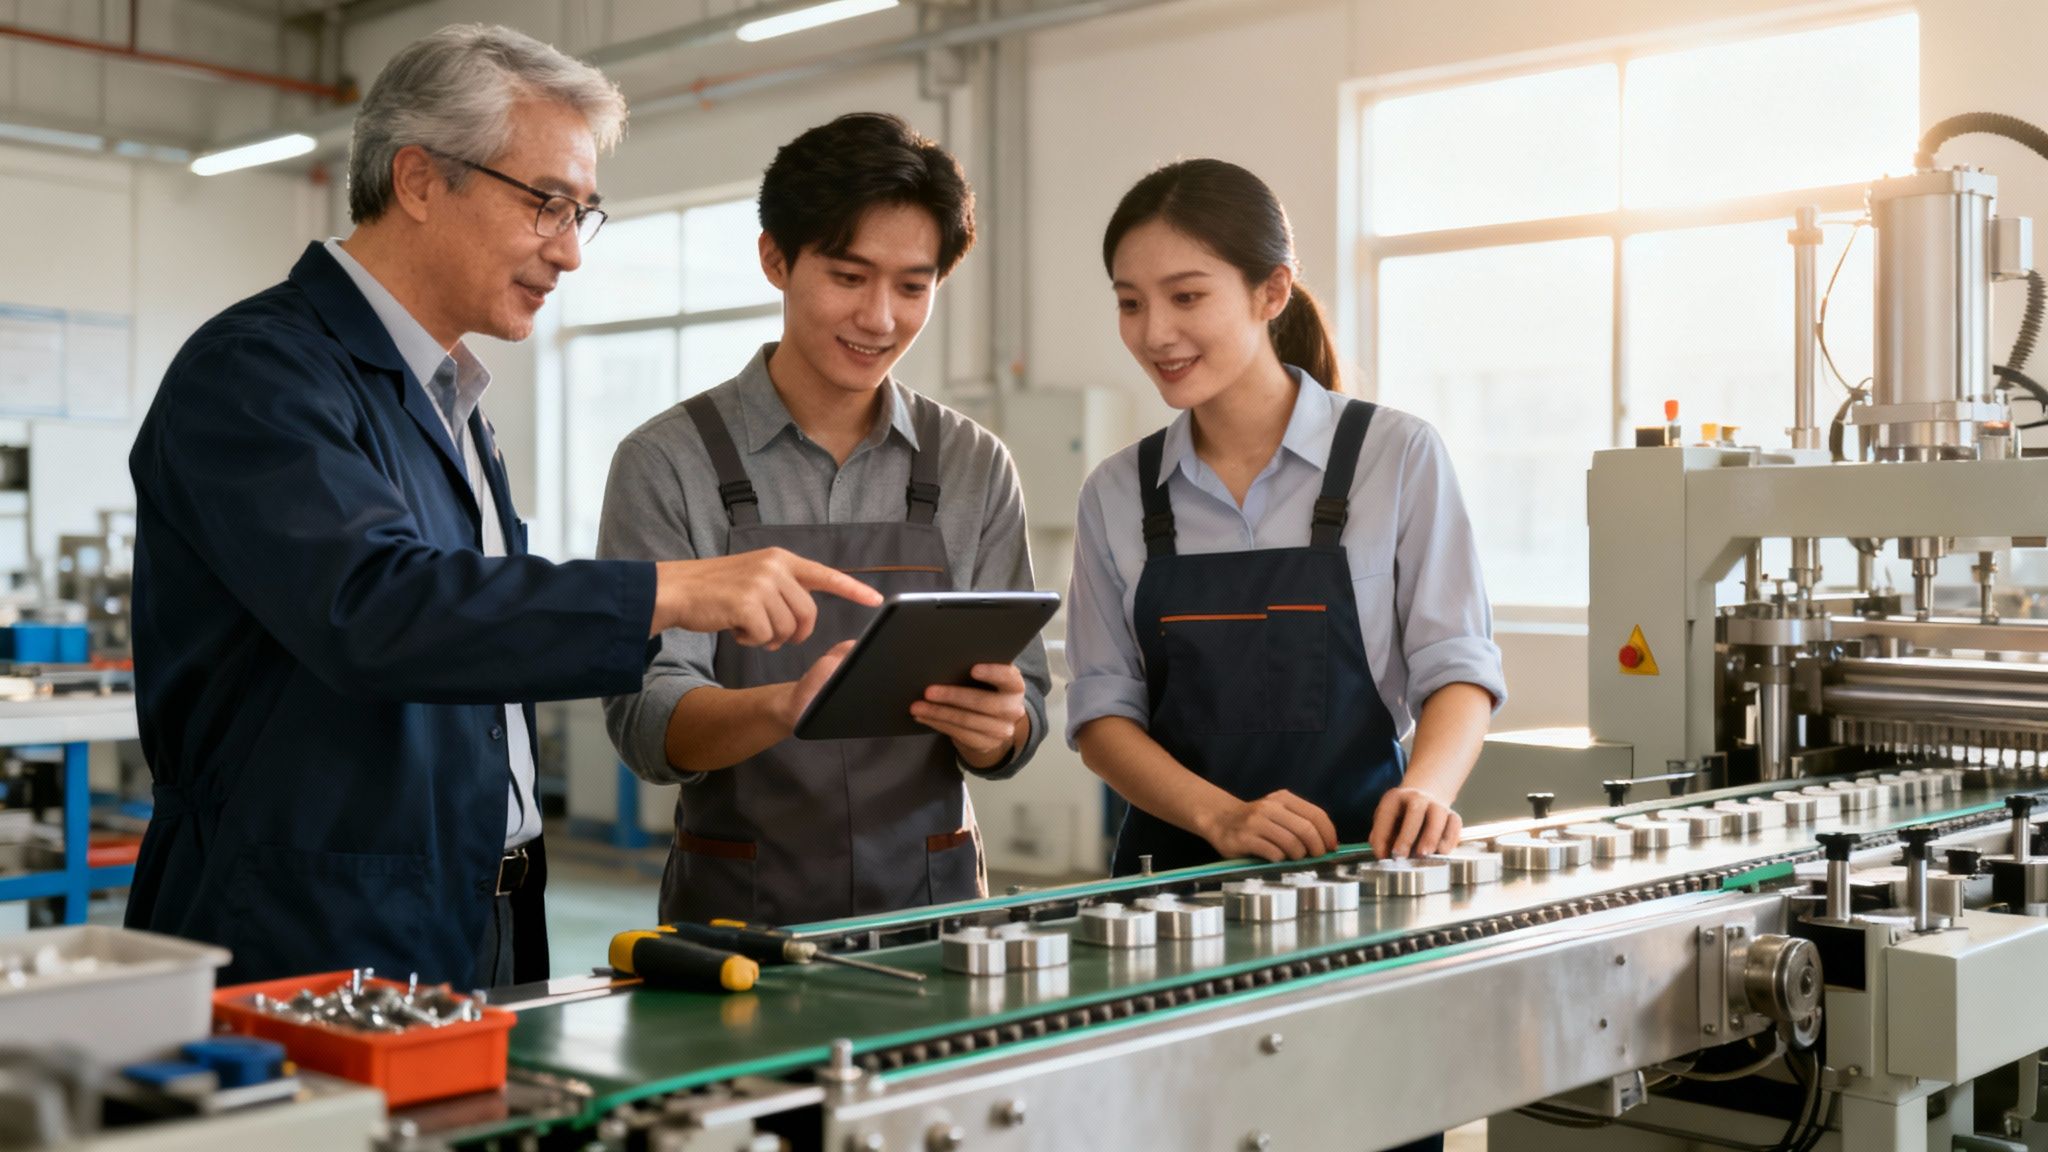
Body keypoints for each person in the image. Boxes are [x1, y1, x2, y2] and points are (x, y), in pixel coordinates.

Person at [125, 24, 877, 989]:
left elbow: (468, 632)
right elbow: (376, 608)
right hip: (314, 920)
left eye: (583, 214)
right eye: (546, 205)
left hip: (485, 906)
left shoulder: (449, 398)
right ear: (420, 181)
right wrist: (666, 592)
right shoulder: (259, 373)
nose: (570, 253)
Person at [600, 113, 1050, 928]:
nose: (880, 318)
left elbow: (1028, 708)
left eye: (913, 287)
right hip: (739, 915)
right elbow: (643, 719)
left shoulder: (974, 466)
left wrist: (1000, 728)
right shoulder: (667, 462)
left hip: (935, 915)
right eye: (849, 276)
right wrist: (782, 706)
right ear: (776, 258)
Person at [1067, 157, 1505, 878]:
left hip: (1363, 868)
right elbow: (1101, 715)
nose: (1155, 334)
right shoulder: (1115, 493)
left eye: (1186, 296)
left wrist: (1426, 788)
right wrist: (1223, 817)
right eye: (1131, 303)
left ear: (1271, 292)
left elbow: (1456, 664)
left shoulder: (1395, 456)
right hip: (1170, 889)